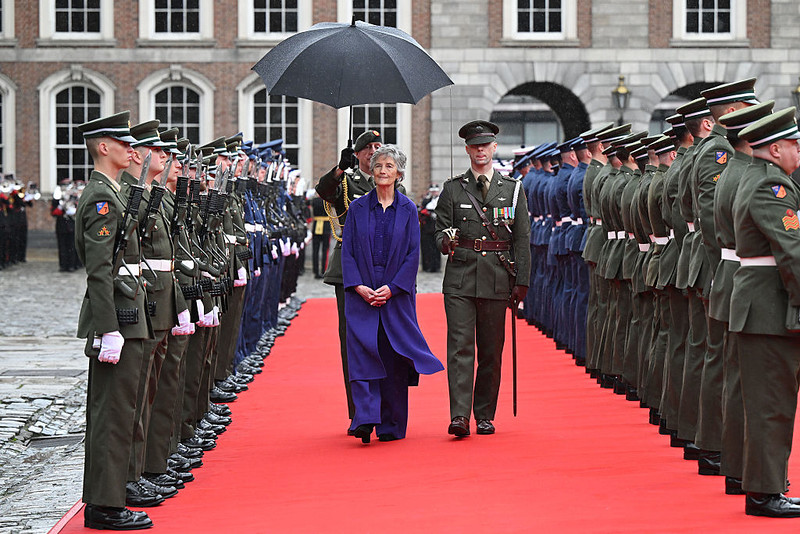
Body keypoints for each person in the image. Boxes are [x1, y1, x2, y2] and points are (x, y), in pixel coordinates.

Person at [74, 110, 154, 530]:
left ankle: (114, 491)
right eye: (123, 143)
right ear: (103, 147)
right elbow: (100, 269)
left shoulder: (115, 192)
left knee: (124, 410)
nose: (131, 148)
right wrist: (107, 328)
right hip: (116, 318)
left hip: (129, 311)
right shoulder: (102, 197)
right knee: (112, 413)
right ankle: (104, 505)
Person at [434, 120, 531, 437]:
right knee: (460, 348)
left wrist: (522, 283)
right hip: (460, 277)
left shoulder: (513, 190)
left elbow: (522, 240)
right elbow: (438, 234)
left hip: (496, 278)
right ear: (467, 150)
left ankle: (485, 413)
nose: (479, 150)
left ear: (494, 148)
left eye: (484, 145)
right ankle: (460, 415)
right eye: (474, 146)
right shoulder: (452, 189)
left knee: (491, 350)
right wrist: (445, 240)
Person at [341, 145, 443, 443]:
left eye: (388, 166)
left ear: (399, 173)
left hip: (395, 294)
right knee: (362, 354)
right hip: (362, 291)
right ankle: (364, 418)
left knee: (393, 355)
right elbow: (347, 251)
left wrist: (394, 287)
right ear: (370, 172)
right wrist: (358, 286)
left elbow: (413, 254)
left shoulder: (409, 209)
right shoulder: (358, 208)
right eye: (377, 166)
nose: (382, 171)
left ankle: (391, 424)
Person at [731, 107, 800, 518]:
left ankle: (768, 484)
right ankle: (764, 493)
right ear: (776, 149)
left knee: (770, 402)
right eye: (795, 145)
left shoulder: (763, 179)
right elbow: (792, 253)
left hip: (766, 305)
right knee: (771, 405)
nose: (799, 152)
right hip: (769, 307)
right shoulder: (770, 187)